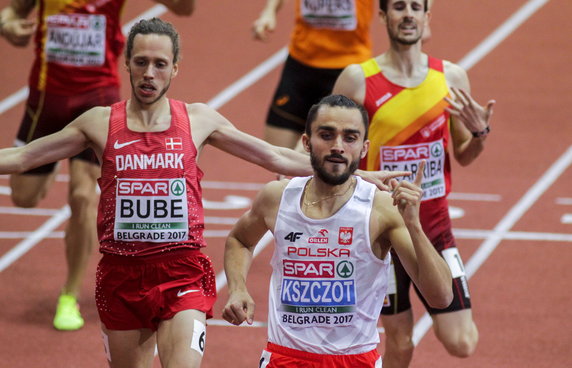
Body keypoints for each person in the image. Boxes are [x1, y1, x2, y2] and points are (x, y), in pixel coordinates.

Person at [0, 18, 405, 368]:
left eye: (160, 64)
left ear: (175, 68)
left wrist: (365, 175)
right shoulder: (99, 123)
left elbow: (276, 157)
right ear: (127, 65)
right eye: (140, 63)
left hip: (182, 273)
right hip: (121, 276)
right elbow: (22, 159)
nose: (149, 74)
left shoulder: (196, 120)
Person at [0, 0, 195, 331]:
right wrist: (8, 26)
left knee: (82, 196)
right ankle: (51, 162)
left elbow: (184, 9)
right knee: (24, 196)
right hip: (47, 98)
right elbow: (12, 13)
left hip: (97, 97)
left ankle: (68, 294)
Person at [222, 94, 453, 367]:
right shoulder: (277, 197)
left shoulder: (380, 208)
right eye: (327, 135)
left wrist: (414, 226)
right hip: (284, 358)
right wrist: (237, 288)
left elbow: (441, 297)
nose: (338, 146)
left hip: (355, 361)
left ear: (364, 148)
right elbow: (239, 239)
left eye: (350, 137)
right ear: (307, 143)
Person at [332, 0, 496, 366]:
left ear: (427, 16)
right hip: (383, 226)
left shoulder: (451, 77)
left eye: (415, 7)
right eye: (399, 6)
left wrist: (480, 133)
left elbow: (464, 154)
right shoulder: (358, 79)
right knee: (401, 341)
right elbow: (333, 144)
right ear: (383, 16)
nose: (408, 14)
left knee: (462, 342)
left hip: (434, 225)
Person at [252, 0, 376, 149]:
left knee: (334, 158)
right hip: (300, 65)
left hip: (347, 72)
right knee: (274, 155)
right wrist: (269, 11)